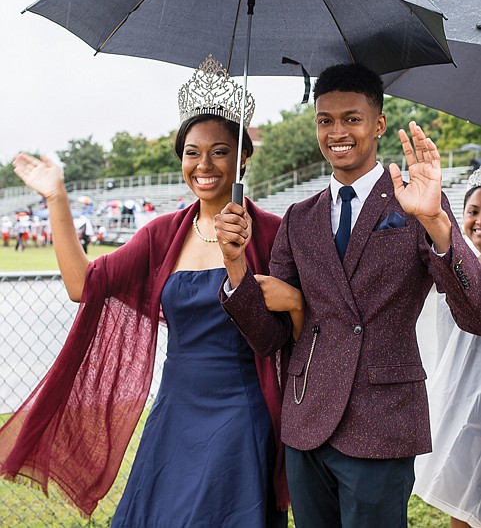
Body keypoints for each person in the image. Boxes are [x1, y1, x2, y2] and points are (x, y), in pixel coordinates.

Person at [0, 55, 302, 527]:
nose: (204, 165)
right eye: (191, 152)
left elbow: (283, 335)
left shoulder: (276, 233)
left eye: (220, 151)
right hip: (175, 413)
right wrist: (56, 197)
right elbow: (83, 285)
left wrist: (244, 264)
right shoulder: (162, 235)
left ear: (243, 156)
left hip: (240, 418)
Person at [215, 63, 481, 528]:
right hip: (308, 418)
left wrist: (437, 223)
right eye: (325, 120)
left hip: (383, 420)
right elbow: (269, 338)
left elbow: (475, 312)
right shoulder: (299, 217)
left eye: (351, 118)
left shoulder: (415, 203)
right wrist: (236, 264)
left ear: (378, 124)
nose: (337, 131)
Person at [413, 171, 481, 528]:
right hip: (463, 398)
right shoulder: (451, 264)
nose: (479, 221)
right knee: (462, 491)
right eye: (473, 211)